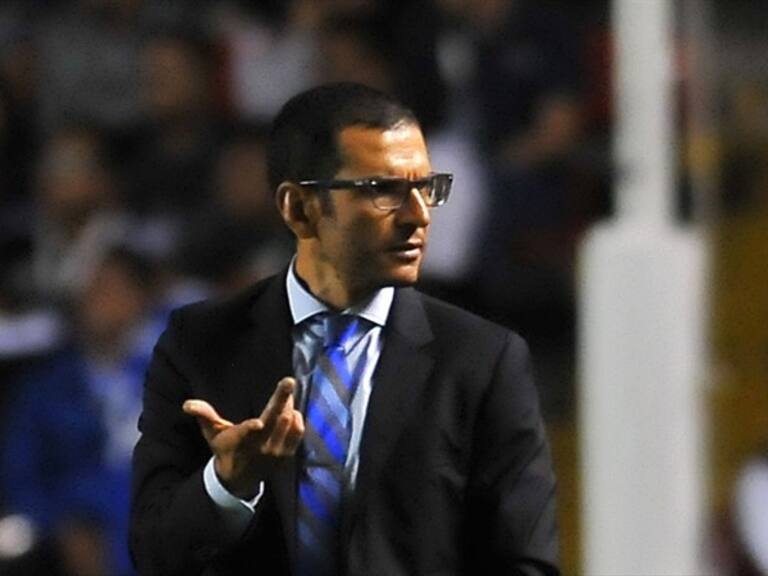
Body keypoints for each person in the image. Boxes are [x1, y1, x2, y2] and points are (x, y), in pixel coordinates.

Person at [130, 82, 559, 575]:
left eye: (426, 187)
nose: (417, 215)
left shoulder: (482, 361)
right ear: (298, 207)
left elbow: (526, 563)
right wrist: (227, 484)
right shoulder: (199, 344)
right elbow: (153, 551)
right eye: (383, 190)